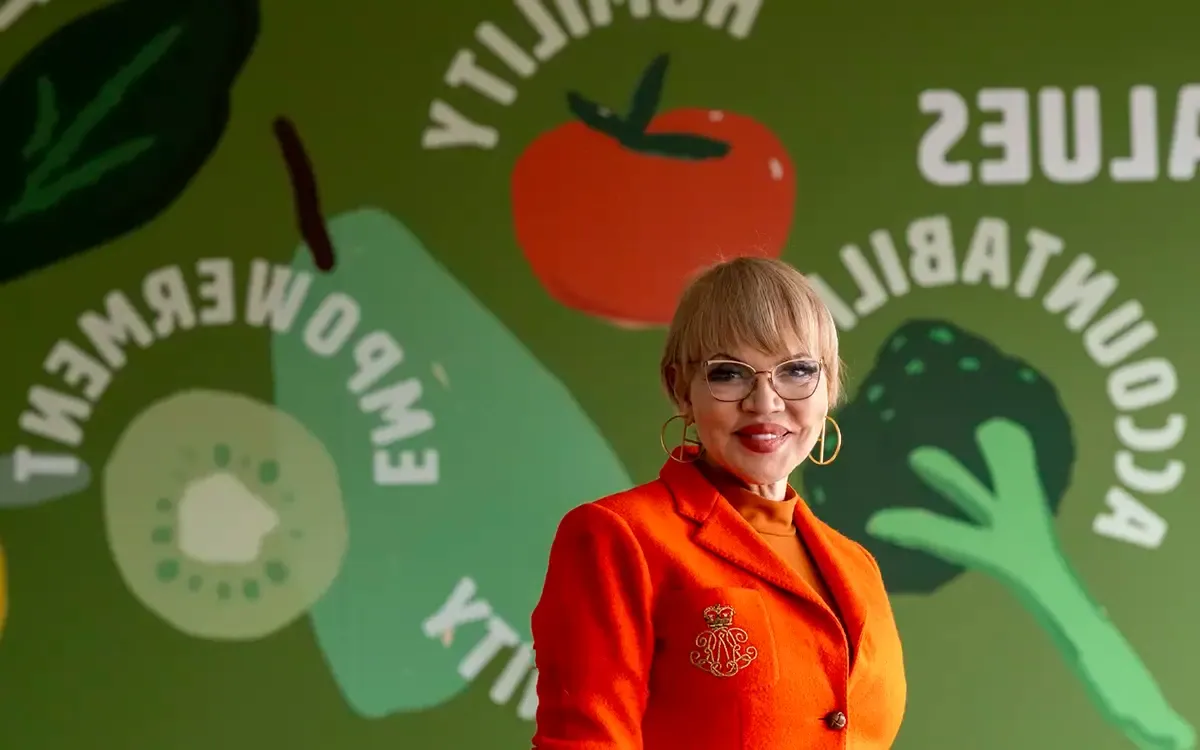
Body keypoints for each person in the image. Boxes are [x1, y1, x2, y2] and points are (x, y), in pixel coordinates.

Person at [529, 257, 907, 749]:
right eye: (729, 373)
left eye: (796, 370)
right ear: (679, 388)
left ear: (829, 387)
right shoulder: (618, 536)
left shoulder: (857, 567)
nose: (765, 402)